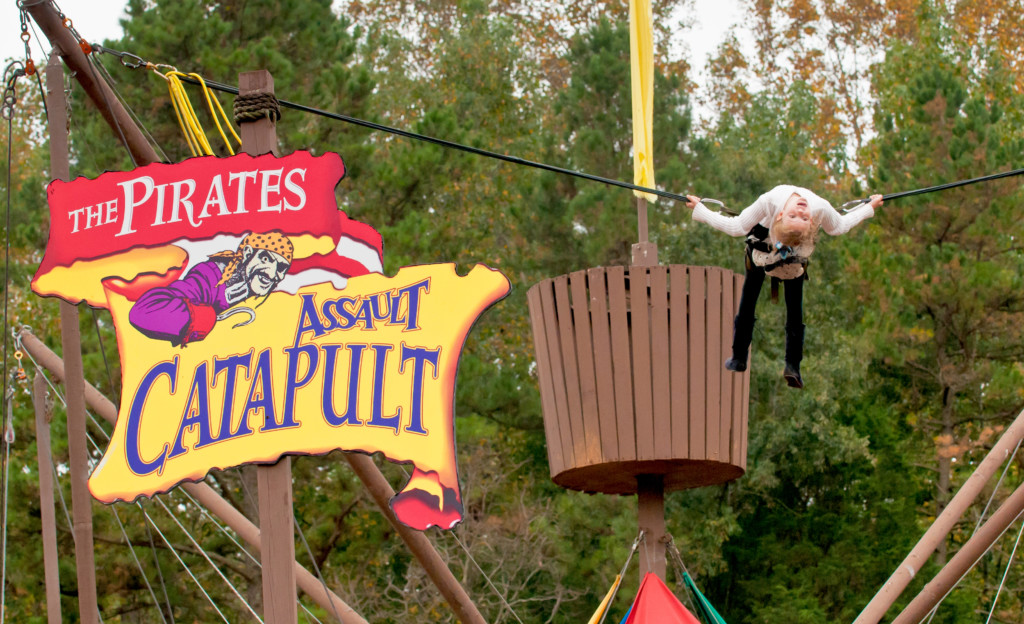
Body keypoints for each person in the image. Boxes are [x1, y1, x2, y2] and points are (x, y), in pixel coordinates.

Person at [685, 186, 882, 388]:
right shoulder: (798, 205)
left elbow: (736, 227)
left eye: (802, 217)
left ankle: (766, 362)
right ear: (779, 215)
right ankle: (757, 359)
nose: (802, 211)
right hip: (765, 248)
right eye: (799, 217)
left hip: (791, 253)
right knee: (769, 300)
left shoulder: (778, 202)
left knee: (768, 299)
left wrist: (700, 209)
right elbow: (736, 227)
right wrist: (869, 207)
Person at [130, 231, 294, 346]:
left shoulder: (276, 300)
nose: (272, 274)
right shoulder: (210, 276)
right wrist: (206, 316)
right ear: (248, 253)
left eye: (281, 268)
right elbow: (144, 311)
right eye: (265, 259)